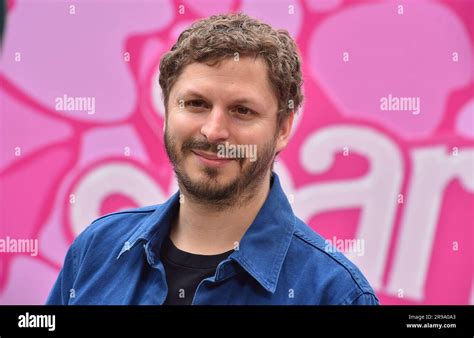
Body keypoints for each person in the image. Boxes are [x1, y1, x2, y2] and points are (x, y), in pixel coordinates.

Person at [46, 13, 378, 305]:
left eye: (242, 111)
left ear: (283, 128)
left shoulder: (334, 294)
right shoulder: (98, 249)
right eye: (196, 104)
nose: (213, 130)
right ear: (165, 112)